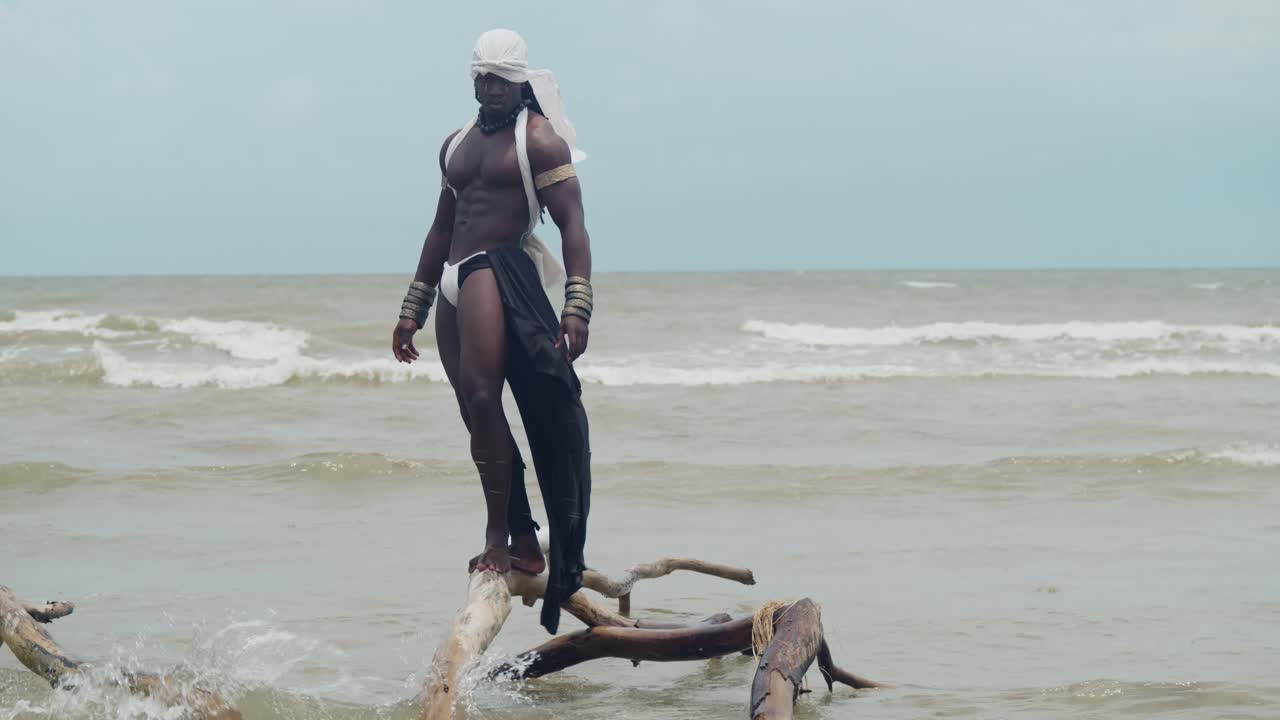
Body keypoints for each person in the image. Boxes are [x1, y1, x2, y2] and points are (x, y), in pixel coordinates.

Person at [391, 28, 594, 634]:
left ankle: (497, 538)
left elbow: (574, 226)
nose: (491, 89)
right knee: (474, 411)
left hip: (495, 268)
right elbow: (439, 225)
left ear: (521, 82)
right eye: (482, 78)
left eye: (502, 81)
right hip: (453, 274)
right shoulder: (454, 145)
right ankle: (524, 534)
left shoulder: (538, 141)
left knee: (486, 395)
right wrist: (413, 306)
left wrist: (577, 306)